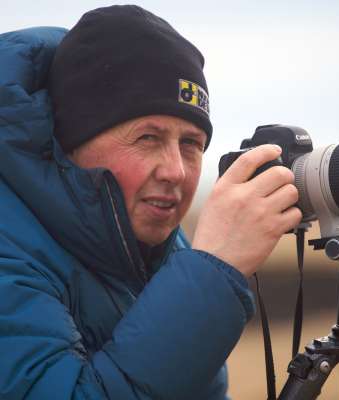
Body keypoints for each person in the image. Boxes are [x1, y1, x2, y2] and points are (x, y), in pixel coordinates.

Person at [0, 5, 302, 399]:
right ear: (71, 142)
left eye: (191, 144)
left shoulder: (157, 248)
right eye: (147, 138)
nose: (175, 171)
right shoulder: (10, 248)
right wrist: (213, 272)